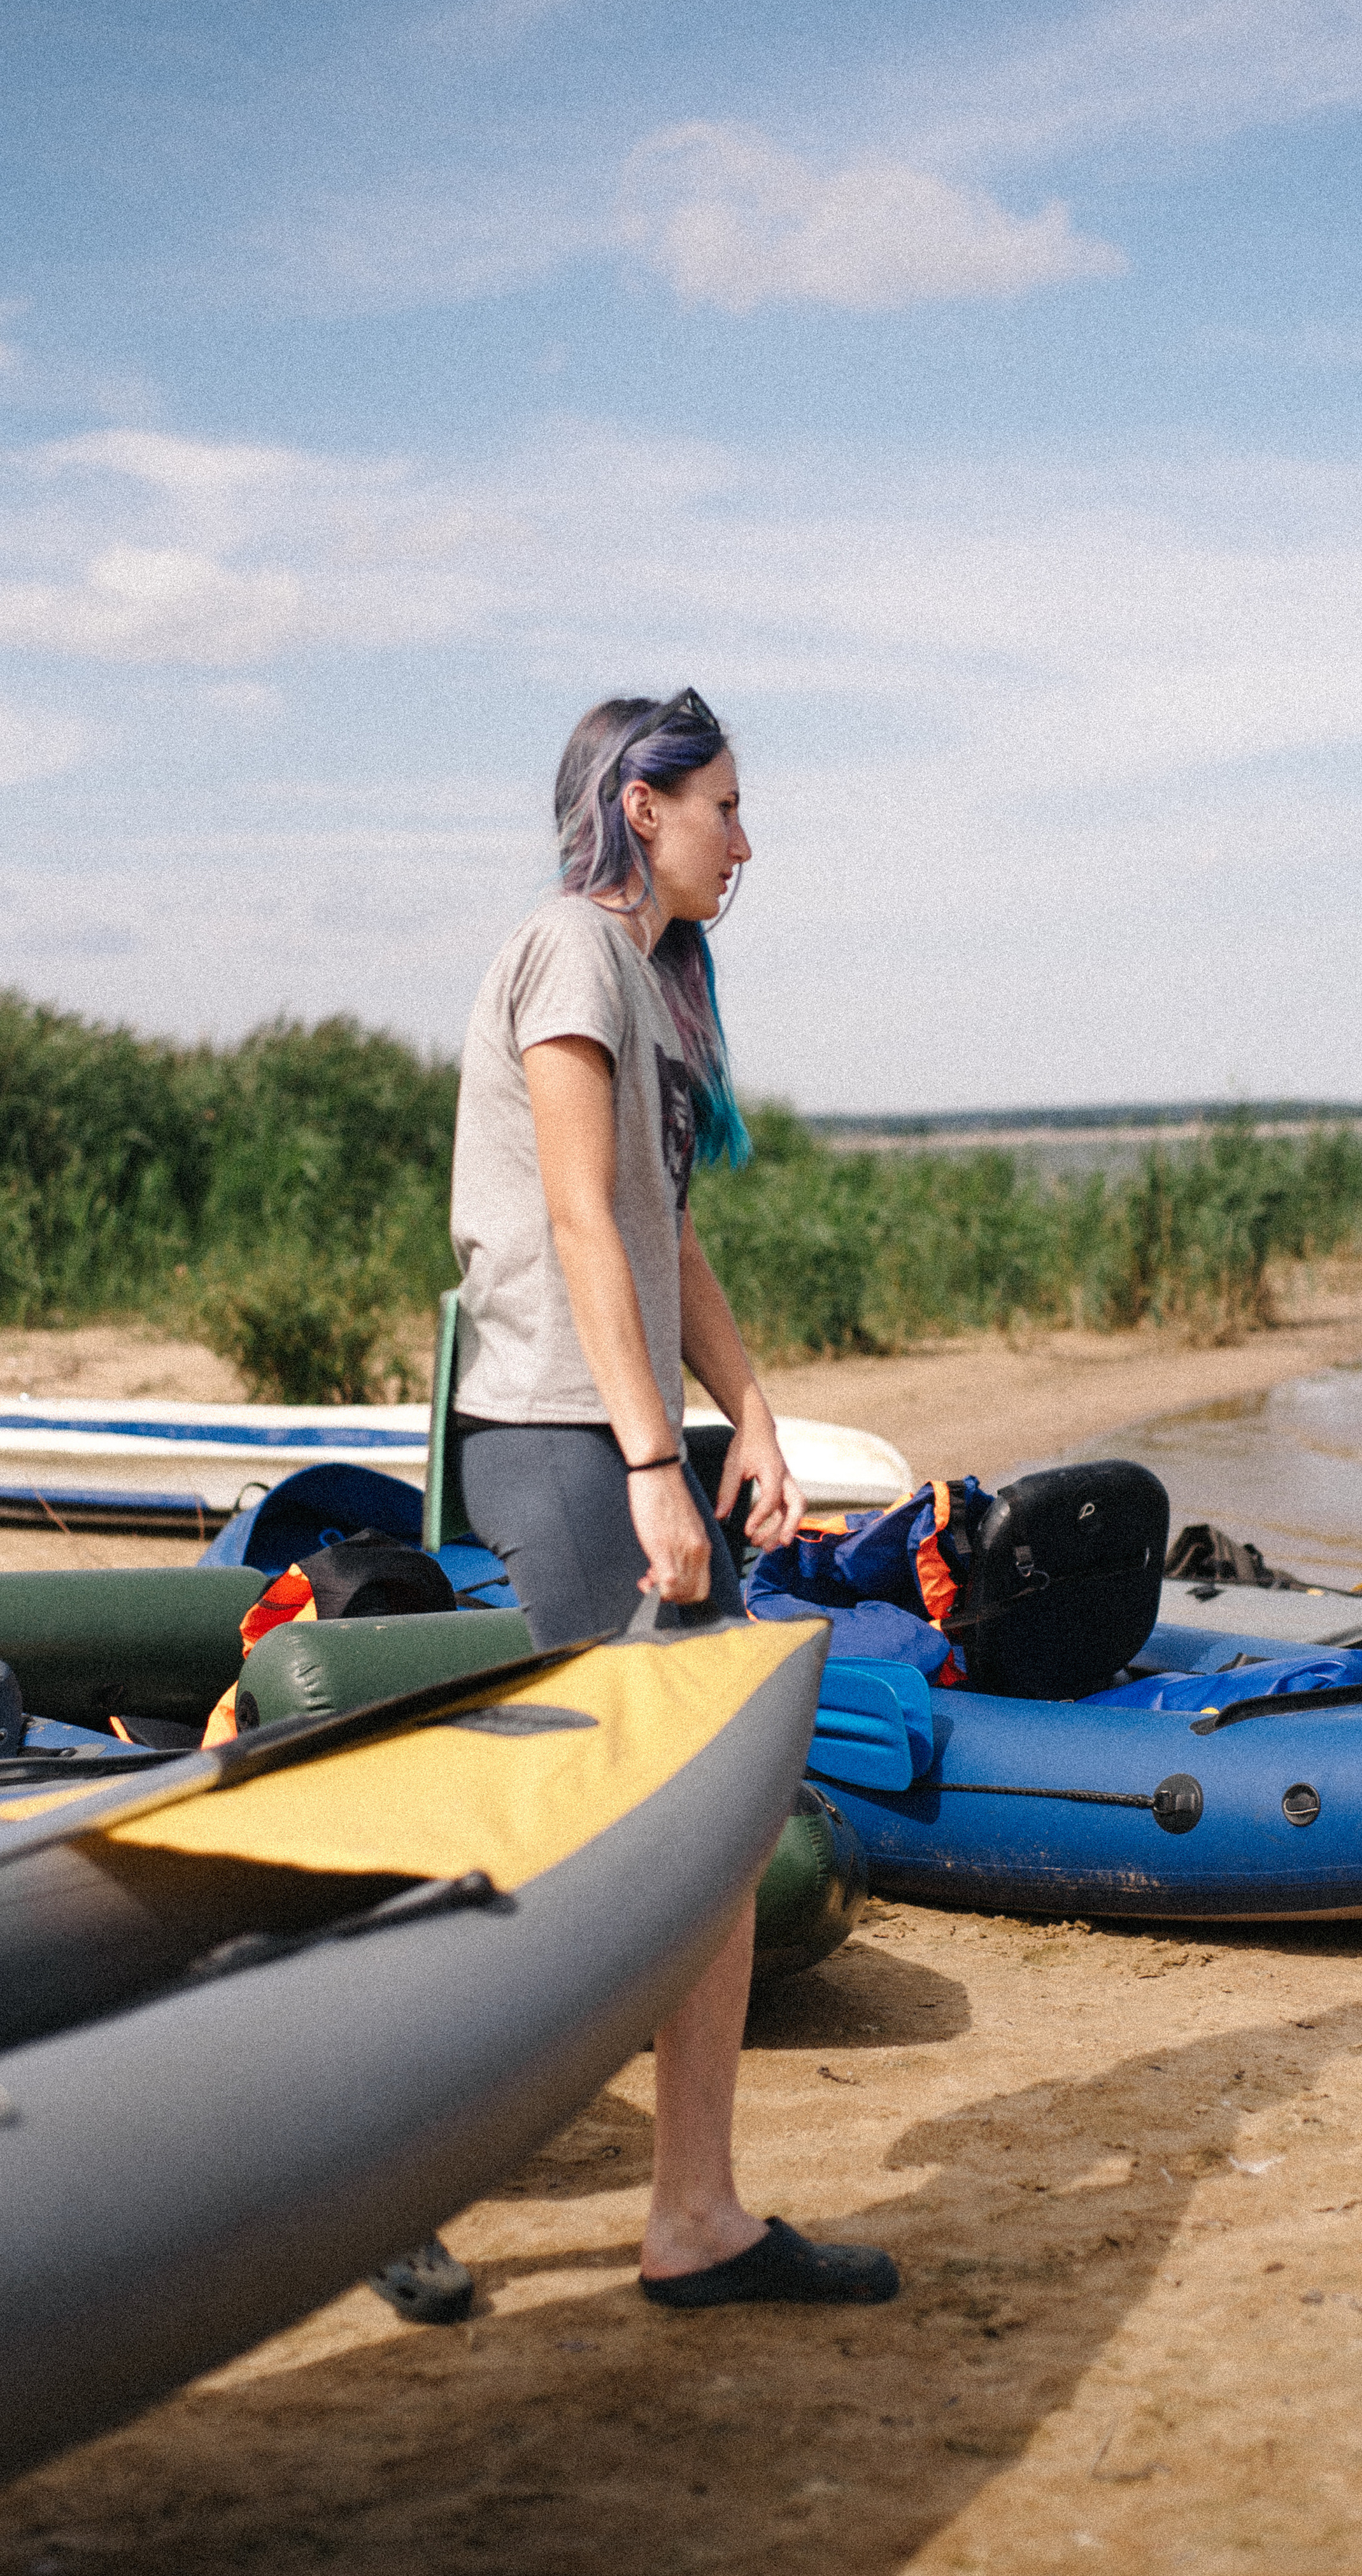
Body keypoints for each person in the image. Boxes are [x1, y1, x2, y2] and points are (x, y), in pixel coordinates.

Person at [444, 685, 898, 2309]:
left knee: (710, 1820)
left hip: (620, 1435)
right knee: (623, 1821)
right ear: (643, 807)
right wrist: (652, 1463)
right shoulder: (571, 949)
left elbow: (663, 1233)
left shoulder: (656, 984)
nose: (743, 842)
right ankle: (385, 2148)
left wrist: (750, 1416)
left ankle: (695, 2210)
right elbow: (577, 1219)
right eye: (723, 807)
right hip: (560, 1436)